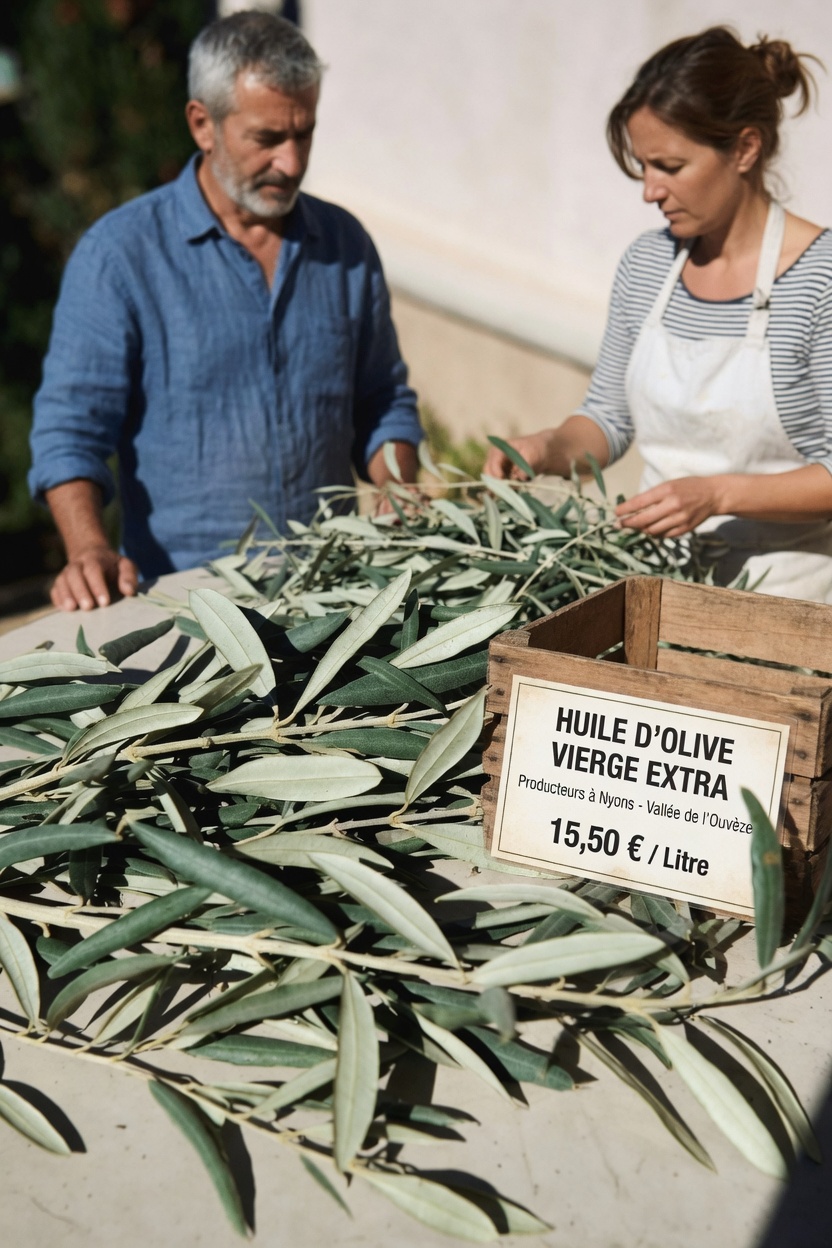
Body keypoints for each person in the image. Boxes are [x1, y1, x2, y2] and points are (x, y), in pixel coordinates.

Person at [29, 11, 423, 612]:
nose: (291, 162)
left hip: (336, 602)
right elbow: (69, 432)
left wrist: (398, 485)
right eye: (267, 139)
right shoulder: (120, 257)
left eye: (306, 133)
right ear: (202, 125)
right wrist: (87, 550)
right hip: (183, 610)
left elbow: (382, 400)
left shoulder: (345, 246)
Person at [485, 27, 832, 602]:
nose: (650, 191)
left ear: (744, 149)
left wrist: (717, 495)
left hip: (791, 604)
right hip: (659, 590)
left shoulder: (820, 280)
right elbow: (608, 418)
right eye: (643, 166)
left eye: (669, 166)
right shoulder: (649, 264)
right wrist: (548, 448)